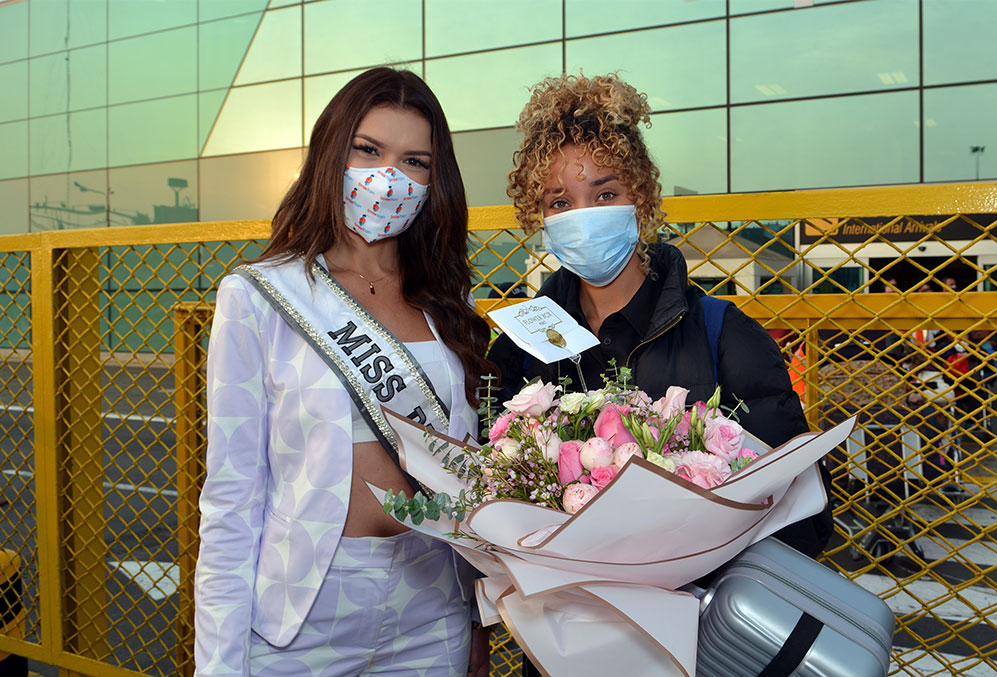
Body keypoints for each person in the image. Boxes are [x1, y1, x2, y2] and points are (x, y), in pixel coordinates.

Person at [194, 68, 493, 677]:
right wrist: (218, 663)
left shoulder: (445, 303)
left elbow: (465, 471)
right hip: (303, 611)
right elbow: (232, 498)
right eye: (369, 150)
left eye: (415, 161)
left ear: (435, 181)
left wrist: (473, 620)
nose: (390, 176)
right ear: (332, 153)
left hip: (431, 605)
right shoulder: (260, 297)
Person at [490, 72, 833, 558]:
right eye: (560, 202)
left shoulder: (724, 335)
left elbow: (800, 511)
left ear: (642, 198)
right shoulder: (518, 346)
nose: (583, 216)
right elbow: (488, 489)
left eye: (605, 194)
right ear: (539, 218)